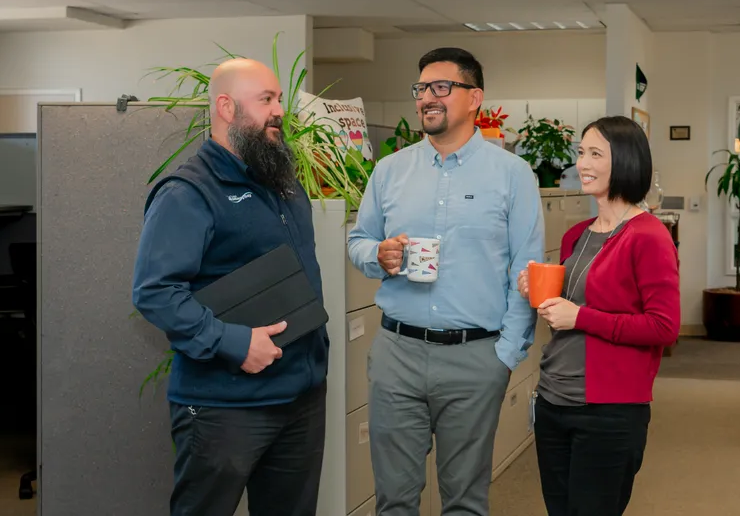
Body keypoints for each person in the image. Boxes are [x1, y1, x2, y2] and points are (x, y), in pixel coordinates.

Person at [347, 47, 544, 516]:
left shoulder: (512, 175)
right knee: (393, 499)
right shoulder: (390, 170)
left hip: (475, 358)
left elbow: (528, 267)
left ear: (474, 97)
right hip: (398, 355)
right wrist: (377, 254)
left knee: (464, 501)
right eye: (421, 89)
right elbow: (358, 240)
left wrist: (506, 354)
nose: (427, 99)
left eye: (441, 88)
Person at [132, 58, 328, 516]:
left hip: (300, 398)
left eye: (279, 98)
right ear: (226, 107)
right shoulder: (188, 192)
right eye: (266, 100)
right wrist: (235, 342)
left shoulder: (284, 183)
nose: (279, 110)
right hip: (225, 407)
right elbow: (156, 292)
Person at [517, 115, 680, 516]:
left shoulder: (648, 236)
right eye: (580, 153)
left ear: (624, 161)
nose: (582, 164)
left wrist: (581, 317)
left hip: (609, 412)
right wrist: (539, 294)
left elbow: (664, 326)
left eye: (595, 154)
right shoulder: (579, 233)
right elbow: (571, 307)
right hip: (554, 401)